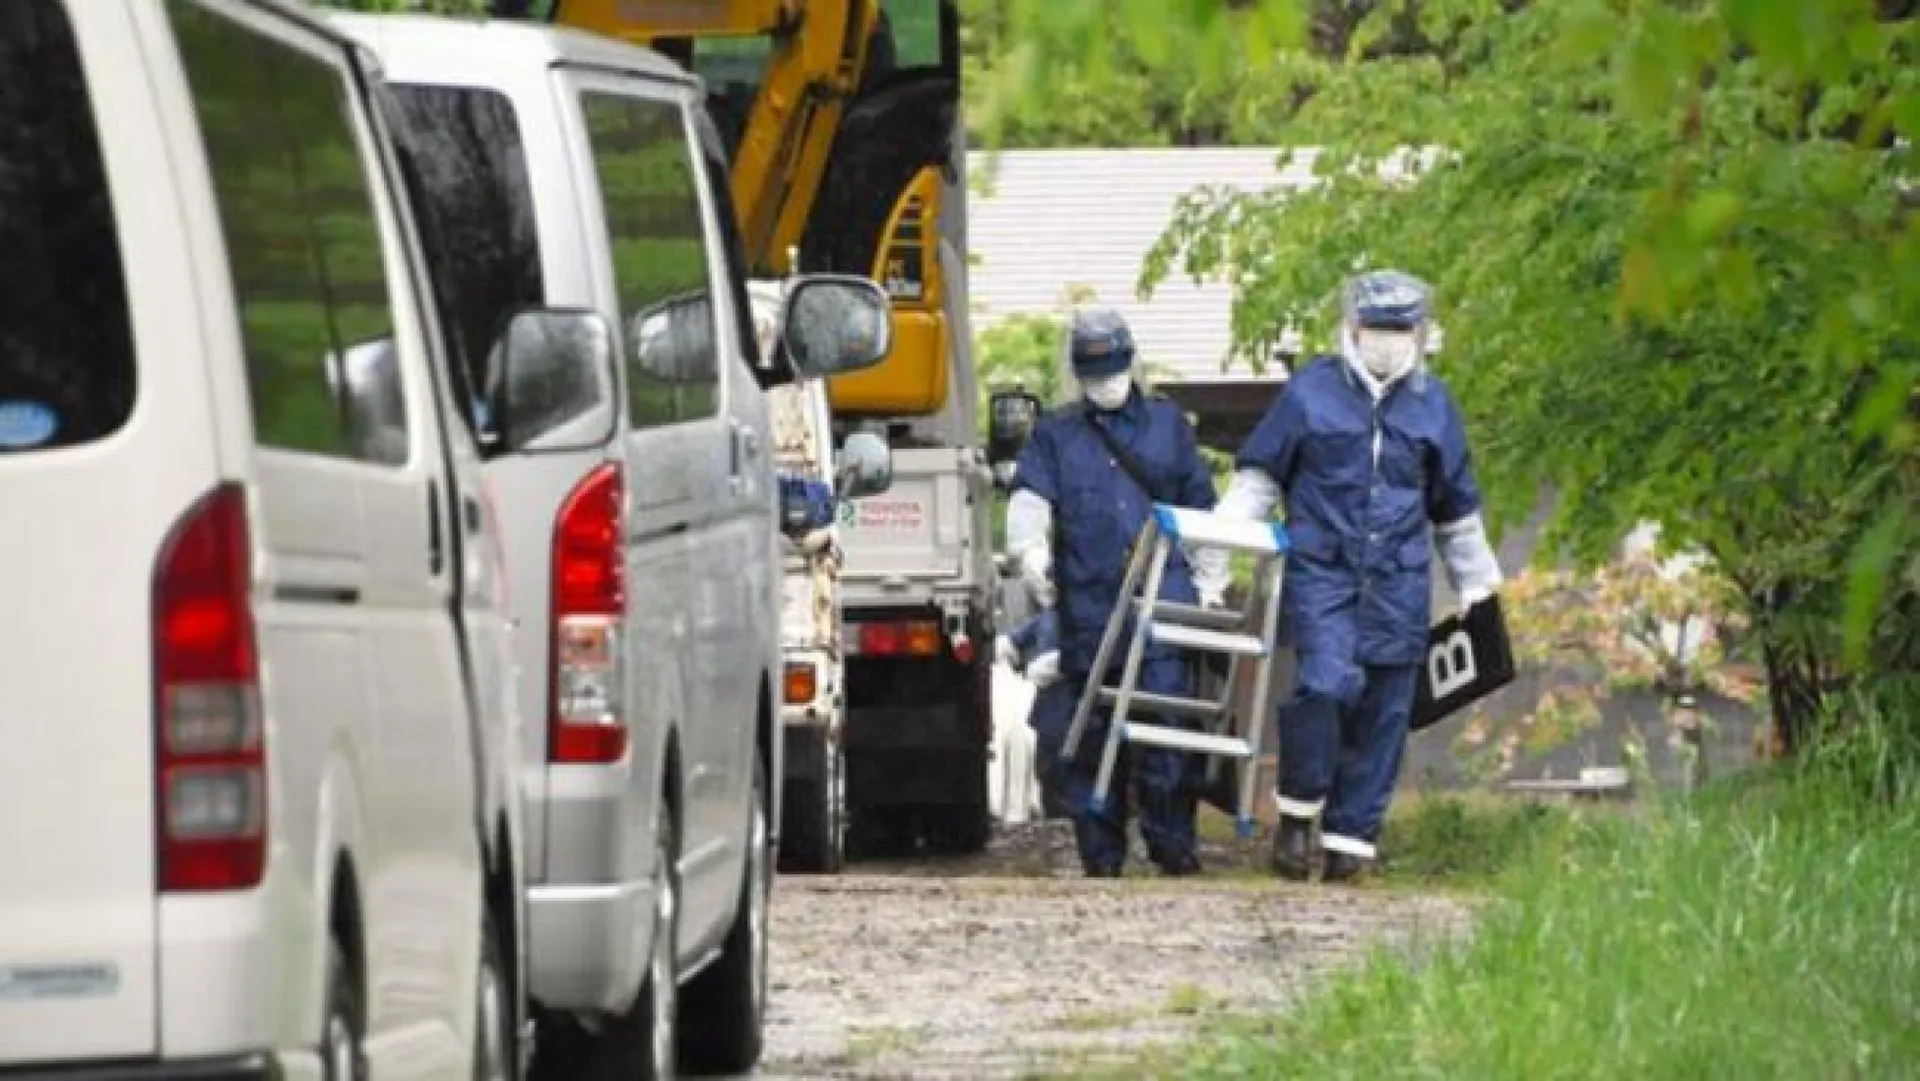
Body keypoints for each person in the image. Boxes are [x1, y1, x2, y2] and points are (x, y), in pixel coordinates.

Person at [1208, 269, 1502, 883]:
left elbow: (1455, 506)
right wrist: (1224, 539)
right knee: (1325, 685)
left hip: (1399, 581)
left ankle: (1350, 844)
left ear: (1420, 333)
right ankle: (1298, 811)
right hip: (1324, 574)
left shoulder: (1433, 405)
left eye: (1401, 329)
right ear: (1352, 327)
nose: (1389, 340)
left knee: (1386, 711)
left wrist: (1477, 582)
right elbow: (1260, 478)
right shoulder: (1310, 394)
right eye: (1378, 328)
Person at [1005, 307, 1222, 877]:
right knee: (1091, 733)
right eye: (1093, 371)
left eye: (1112, 368)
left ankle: (1173, 847)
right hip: (1089, 606)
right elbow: (1029, 498)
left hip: (1162, 603)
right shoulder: (1056, 433)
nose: (1105, 380)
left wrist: (1211, 582)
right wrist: (1030, 553)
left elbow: (1201, 507)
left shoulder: (1166, 425)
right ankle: (1101, 856)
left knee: (1169, 725)